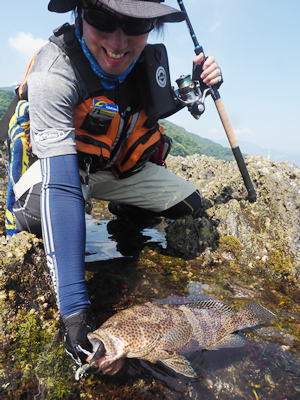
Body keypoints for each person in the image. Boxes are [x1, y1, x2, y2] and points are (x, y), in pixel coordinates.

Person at [9, 0, 222, 367]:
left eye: (137, 25)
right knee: (37, 215)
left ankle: (125, 210)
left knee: (188, 202)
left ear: (152, 28)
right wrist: (75, 316)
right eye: (103, 18)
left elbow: (158, 104)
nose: (119, 40)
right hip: (66, 170)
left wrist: (195, 86)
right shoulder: (54, 71)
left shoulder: (148, 62)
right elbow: (60, 190)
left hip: (120, 169)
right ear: (79, 14)